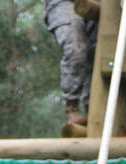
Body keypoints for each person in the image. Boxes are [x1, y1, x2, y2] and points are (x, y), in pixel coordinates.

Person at [44, 0, 98, 128]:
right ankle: (72, 106)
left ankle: (93, 108)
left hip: (97, 4)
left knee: (98, 54)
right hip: (64, 3)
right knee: (76, 48)